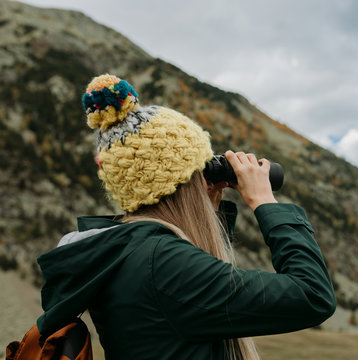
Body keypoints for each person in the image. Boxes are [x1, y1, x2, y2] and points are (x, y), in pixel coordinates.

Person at [36, 74, 336, 360]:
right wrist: (264, 201)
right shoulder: (164, 264)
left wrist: (210, 205)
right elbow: (312, 294)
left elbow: (199, 278)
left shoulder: (128, 254)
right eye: (200, 167)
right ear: (182, 181)